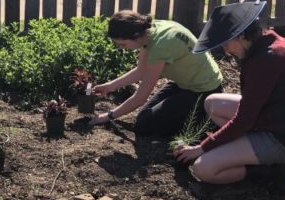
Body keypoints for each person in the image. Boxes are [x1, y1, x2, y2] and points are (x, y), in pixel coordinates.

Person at [174, 0, 285, 195]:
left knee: (203, 168)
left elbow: (244, 119)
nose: (226, 50)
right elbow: (249, 110)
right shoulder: (268, 42)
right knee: (213, 103)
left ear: (241, 35)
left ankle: (268, 171)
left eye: (226, 43)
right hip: (278, 120)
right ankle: (249, 153)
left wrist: (202, 148)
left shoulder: (266, 60)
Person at [89, 10, 223, 139]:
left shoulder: (160, 46)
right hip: (184, 83)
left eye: (122, 44)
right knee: (144, 118)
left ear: (135, 35)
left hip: (204, 90)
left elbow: (141, 97)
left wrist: (109, 116)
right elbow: (141, 71)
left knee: (143, 126)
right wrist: (109, 86)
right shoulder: (150, 29)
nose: (121, 48)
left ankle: (206, 121)